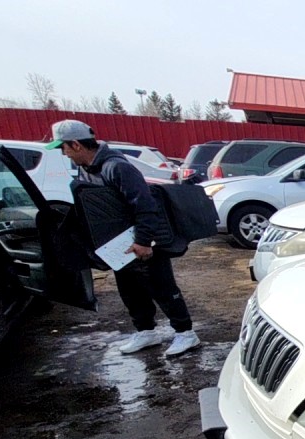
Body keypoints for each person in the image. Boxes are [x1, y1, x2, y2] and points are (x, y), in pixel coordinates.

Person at [46, 120, 200, 356]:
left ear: (75, 144)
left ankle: (185, 333)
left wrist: (144, 241)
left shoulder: (117, 168)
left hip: (141, 241)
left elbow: (146, 205)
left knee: (162, 287)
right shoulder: (87, 170)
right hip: (117, 245)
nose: (63, 153)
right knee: (130, 290)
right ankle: (146, 331)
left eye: (63, 148)